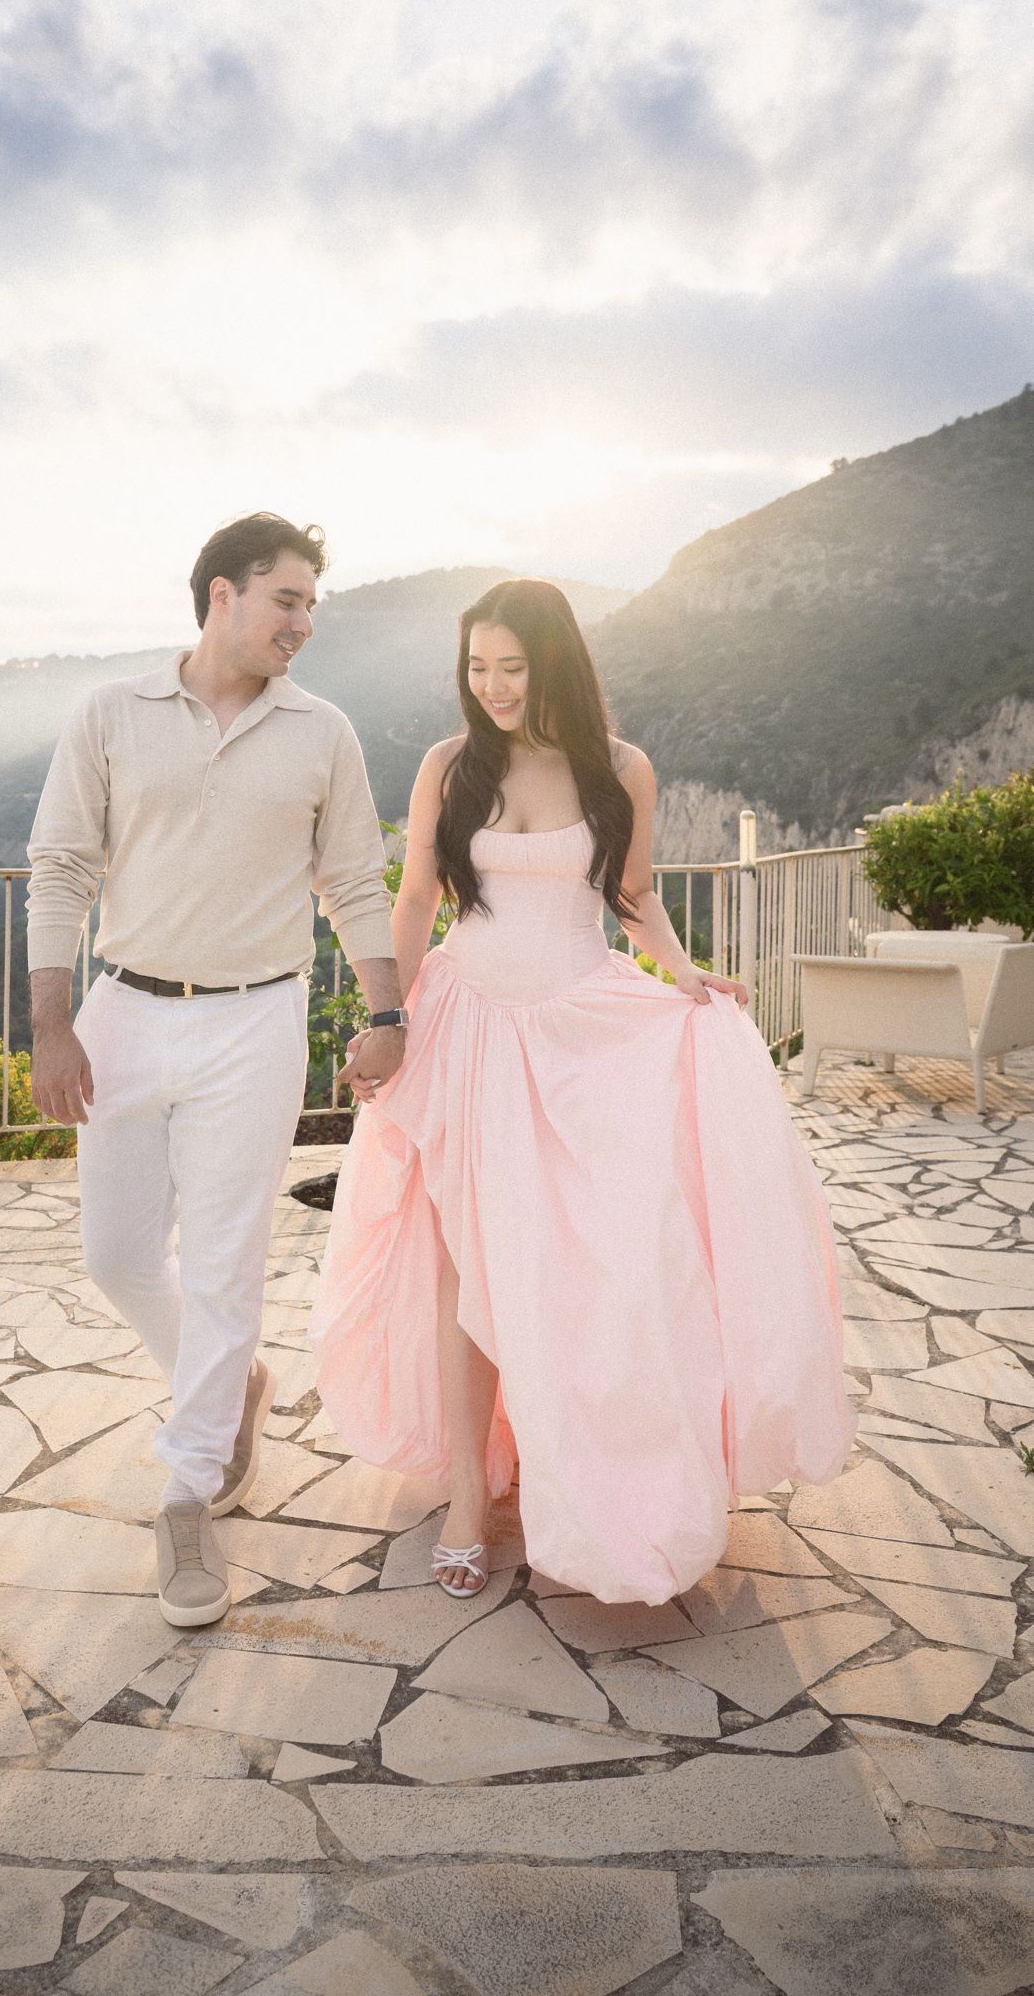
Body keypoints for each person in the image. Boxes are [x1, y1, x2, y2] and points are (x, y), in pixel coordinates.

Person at [309, 578, 855, 1606]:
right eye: (477, 667)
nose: (493, 685)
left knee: (590, 1259)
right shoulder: (449, 765)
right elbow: (417, 893)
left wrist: (688, 979)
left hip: (575, 1028)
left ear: (554, 659)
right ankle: (469, 1500)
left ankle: (592, 1461)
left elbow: (631, 893)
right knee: (457, 1266)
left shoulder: (621, 769)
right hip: (464, 1021)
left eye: (511, 665)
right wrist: (389, 1018)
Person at [26, 513, 406, 1627]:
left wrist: (386, 1010)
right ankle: (230, 1382)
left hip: (256, 1022)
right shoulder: (110, 714)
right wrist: (55, 1025)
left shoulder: (323, 731)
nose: (302, 625)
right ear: (221, 596)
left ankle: (188, 1494)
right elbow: (58, 868)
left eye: (310, 608)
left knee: (228, 1262)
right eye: (286, 600)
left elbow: (353, 884)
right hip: (123, 1014)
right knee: (116, 1253)